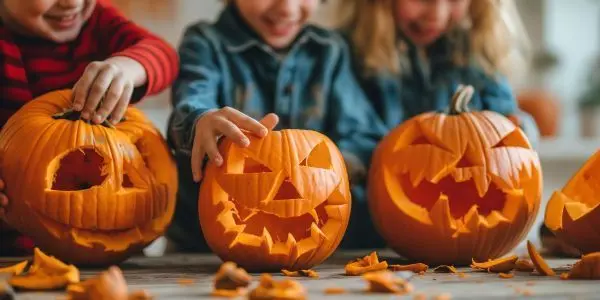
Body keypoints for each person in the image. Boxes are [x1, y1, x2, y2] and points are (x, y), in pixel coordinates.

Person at [166, 0, 388, 252]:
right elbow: (190, 104)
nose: (287, 9)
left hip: (314, 249)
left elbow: (364, 137)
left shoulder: (329, 51)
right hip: (198, 250)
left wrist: (318, 170)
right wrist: (201, 120)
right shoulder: (205, 43)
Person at [0, 0, 179, 256]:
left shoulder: (97, 21)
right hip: (10, 253)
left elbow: (164, 54)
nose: (72, 3)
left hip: (114, 260)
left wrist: (127, 68)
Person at [337, 0, 539, 144]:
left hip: (467, 197)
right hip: (379, 198)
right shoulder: (342, 57)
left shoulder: (477, 54)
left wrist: (518, 130)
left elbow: (509, 124)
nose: (438, 15)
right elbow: (353, 143)